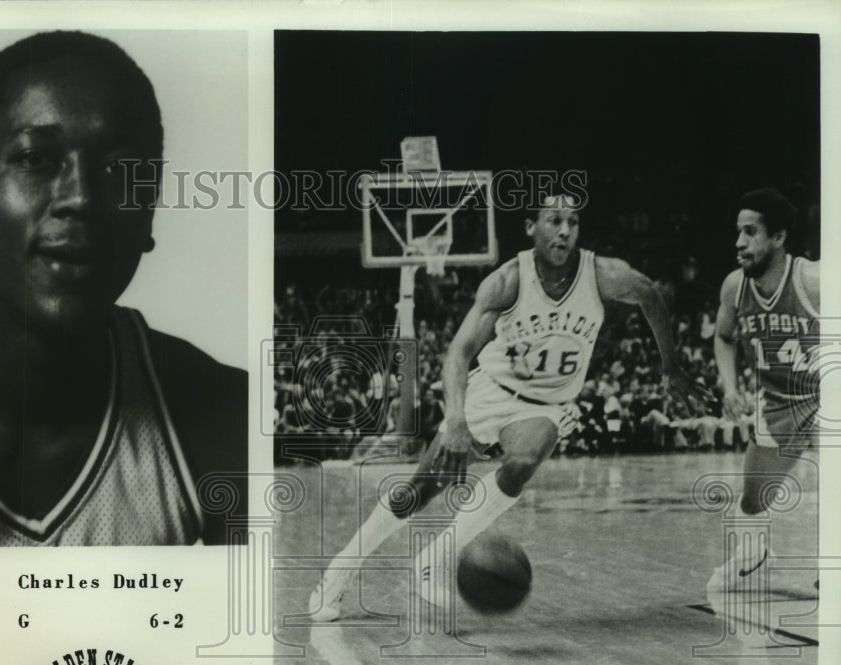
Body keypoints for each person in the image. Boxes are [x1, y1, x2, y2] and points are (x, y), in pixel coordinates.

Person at [0, 31, 247, 547]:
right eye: (35, 159)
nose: (81, 197)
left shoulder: (221, 413)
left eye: (119, 170)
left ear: (150, 208)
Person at [310, 194, 709, 620]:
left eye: (572, 222)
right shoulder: (507, 281)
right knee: (417, 492)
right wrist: (458, 418)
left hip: (546, 403)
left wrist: (671, 365)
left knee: (522, 461)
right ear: (529, 227)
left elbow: (650, 295)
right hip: (490, 391)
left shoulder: (603, 274)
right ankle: (339, 571)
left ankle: (435, 560)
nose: (565, 230)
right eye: (554, 220)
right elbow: (459, 353)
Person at [707, 187, 819, 607]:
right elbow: (722, 337)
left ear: (778, 238)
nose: (739, 242)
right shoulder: (735, 287)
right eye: (738, 232)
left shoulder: (813, 280)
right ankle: (753, 556)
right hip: (778, 401)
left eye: (750, 232)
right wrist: (731, 387)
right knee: (753, 500)